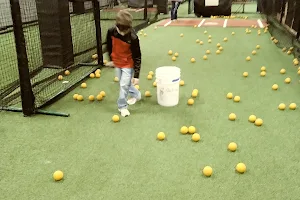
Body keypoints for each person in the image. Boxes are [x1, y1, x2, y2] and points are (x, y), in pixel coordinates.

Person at [105, 10, 142, 117]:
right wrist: (111, 60)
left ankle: (122, 106)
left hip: (128, 64)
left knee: (123, 85)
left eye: (125, 30)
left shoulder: (133, 38)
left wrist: (136, 75)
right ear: (116, 26)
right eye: (120, 29)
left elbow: (137, 56)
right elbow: (109, 46)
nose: (122, 33)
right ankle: (136, 94)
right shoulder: (111, 31)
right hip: (117, 62)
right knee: (124, 83)